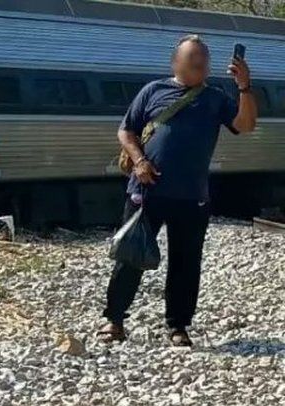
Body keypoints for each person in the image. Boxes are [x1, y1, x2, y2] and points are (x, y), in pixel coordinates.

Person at [99, 34, 257, 347]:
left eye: (204, 58)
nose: (200, 63)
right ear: (176, 62)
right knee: (129, 256)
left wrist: (244, 87)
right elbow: (126, 130)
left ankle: (178, 326)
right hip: (146, 191)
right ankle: (114, 321)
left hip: (192, 196)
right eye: (193, 57)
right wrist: (139, 160)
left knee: (186, 263)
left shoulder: (215, 97)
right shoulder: (152, 91)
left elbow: (246, 125)